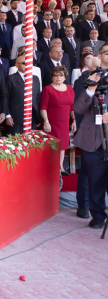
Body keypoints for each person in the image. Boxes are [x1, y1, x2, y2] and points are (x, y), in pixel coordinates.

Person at [74, 71, 108, 228]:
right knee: (95, 182)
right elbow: (79, 109)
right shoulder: (90, 85)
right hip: (92, 141)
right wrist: (90, 89)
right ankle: (98, 215)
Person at [40, 65, 75, 175]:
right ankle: (51, 168)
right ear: (52, 77)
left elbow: (72, 108)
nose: (58, 77)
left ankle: (60, 167)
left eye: (61, 75)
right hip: (52, 122)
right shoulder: (47, 89)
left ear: (65, 77)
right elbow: (43, 108)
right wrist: (46, 122)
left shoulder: (70, 89)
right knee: (52, 145)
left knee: (63, 145)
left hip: (64, 122)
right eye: (55, 75)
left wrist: (74, 120)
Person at [6, 55, 43, 135]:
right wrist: (8, 116)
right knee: (16, 140)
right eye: (24, 63)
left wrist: (37, 116)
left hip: (32, 117)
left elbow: (37, 99)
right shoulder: (10, 78)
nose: (27, 65)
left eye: (29, 63)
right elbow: (5, 98)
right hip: (16, 118)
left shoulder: (35, 78)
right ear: (16, 65)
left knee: (31, 141)